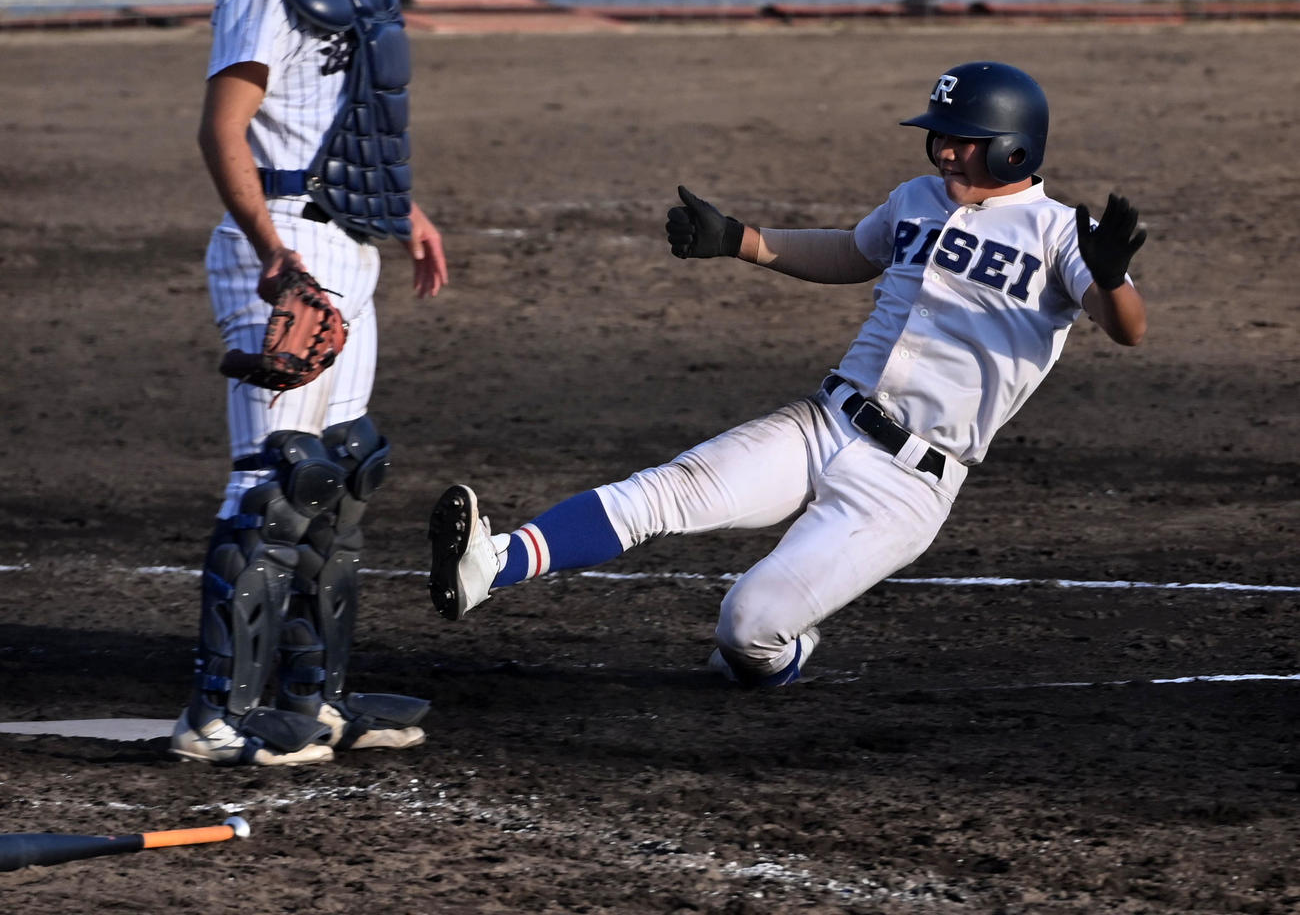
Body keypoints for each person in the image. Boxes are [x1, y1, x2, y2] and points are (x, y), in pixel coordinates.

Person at [426, 61, 1147, 687]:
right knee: (663, 492)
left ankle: (781, 655)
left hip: (906, 484)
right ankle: (491, 563)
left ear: (1014, 147)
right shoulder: (915, 199)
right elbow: (851, 254)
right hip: (824, 420)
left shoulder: (1059, 234)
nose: (946, 152)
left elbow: (1127, 327)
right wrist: (740, 241)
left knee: (747, 627)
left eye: (964, 140)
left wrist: (1111, 275)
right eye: (941, 136)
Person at [171, 0, 448, 765]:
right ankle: (217, 713)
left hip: (347, 242)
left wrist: (399, 207)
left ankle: (313, 694)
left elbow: (336, 120)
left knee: (341, 473)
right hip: (286, 251)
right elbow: (225, 131)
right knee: (273, 481)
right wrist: (276, 259)